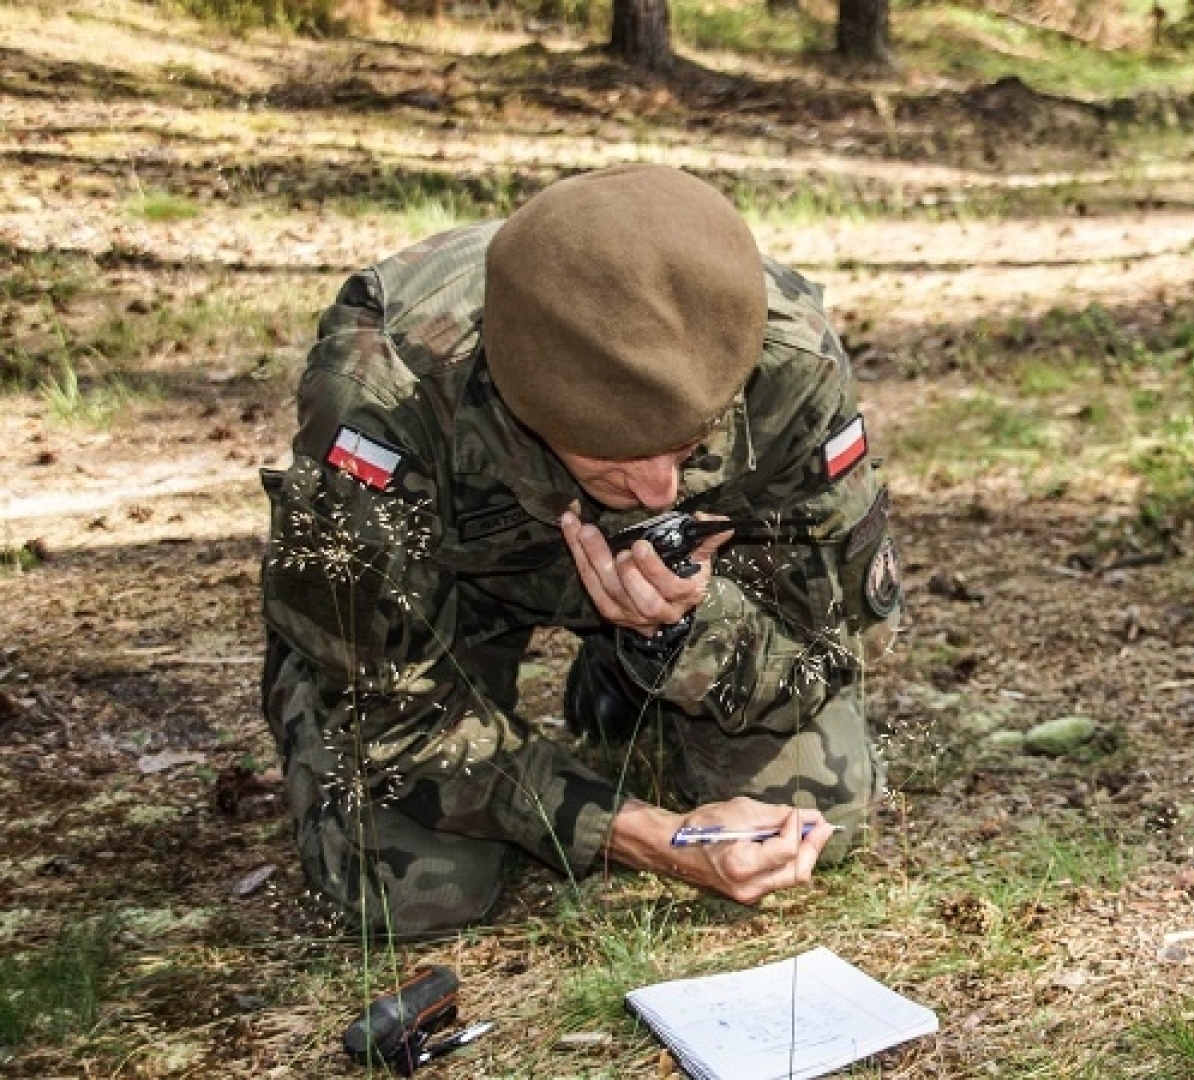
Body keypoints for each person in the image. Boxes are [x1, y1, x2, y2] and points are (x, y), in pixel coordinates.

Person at [259, 165, 901, 938]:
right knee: (418, 894)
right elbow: (389, 716)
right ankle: (307, 698)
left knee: (811, 815)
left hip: (684, 588)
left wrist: (685, 630)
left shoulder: (782, 352)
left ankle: (628, 675)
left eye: (690, 446)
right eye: (613, 462)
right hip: (453, 600)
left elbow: (830, 642)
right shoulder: (385, 391)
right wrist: (645, 836)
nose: (663, 491)